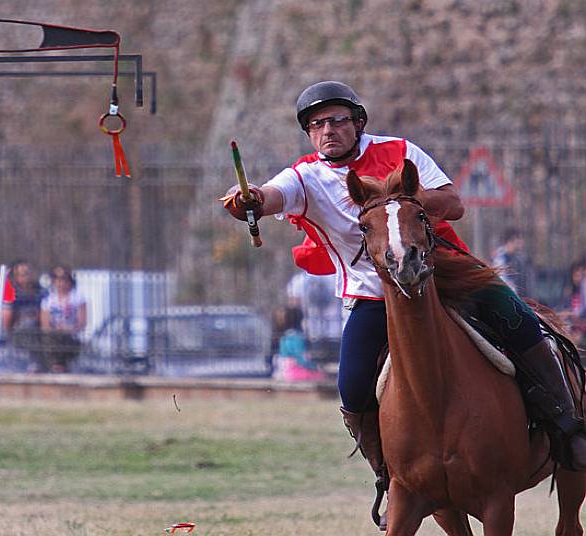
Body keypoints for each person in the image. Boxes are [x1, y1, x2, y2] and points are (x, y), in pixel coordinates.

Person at [222, 80, 586, 520]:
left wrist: (400, 200)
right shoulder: (305, 176)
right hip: (373, 296)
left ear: (358, 123)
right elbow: (271, 196)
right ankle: (389, 473)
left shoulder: (399, 149)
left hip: (448, 274)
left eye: (337, 120)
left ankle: (567, 427)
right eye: (316, 124)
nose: (328, 130)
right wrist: (251, 200)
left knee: (522, 322)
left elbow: (453, 203)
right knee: (352, 387)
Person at [40, 265, 87, 373]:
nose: (60, 283)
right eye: (57, 279)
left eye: (63, 279)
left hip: (71, 337)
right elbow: (45, 324)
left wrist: (68, 328)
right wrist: (55, 330)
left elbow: (82, 322)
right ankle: (55, 366)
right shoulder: (48, 300)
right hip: (54, 337)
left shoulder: (78, 298)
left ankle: (60, 366)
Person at [2, 260, 47, 372]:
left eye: (28, 273)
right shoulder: (12, 294)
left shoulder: (41, 292)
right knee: (28, 326)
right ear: (16, 277)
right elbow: (7, 321)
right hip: (20, 332)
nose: (27, 277)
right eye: (23, 274)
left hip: (40, 329)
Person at [492, 227, 534, 297]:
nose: (521, 243)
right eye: (518, 241)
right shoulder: (500, 258)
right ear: (510, 242)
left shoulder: (516, 257)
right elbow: (502, 279)